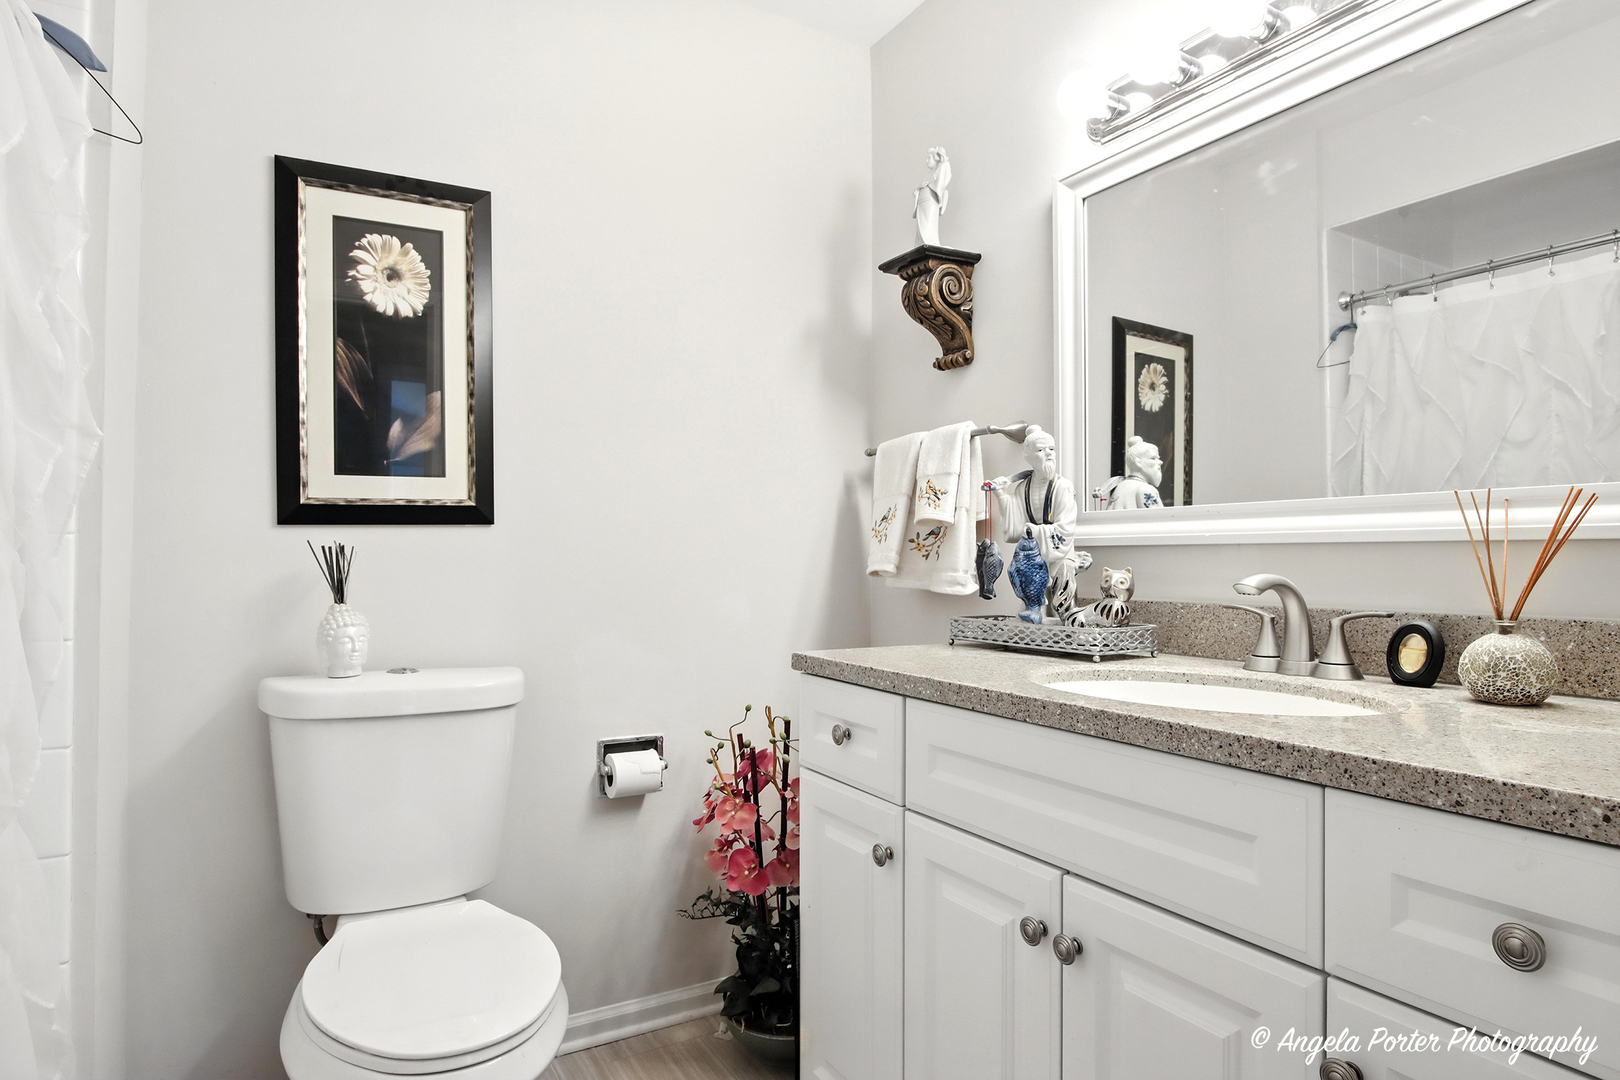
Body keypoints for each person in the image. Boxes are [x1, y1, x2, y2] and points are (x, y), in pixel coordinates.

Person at [1102, 436, 1164, 510]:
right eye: (1153, 458)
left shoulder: (1120, 487)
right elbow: (1158, 516)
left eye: (1158, 458)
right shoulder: (1146, 489)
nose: (1160, 462)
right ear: (1138, 462)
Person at [912, 147, 951, 247]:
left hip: (930, 200)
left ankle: (931, 242)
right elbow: (918, 189)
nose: (926, 160)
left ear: (936, 159)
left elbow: (945, 166)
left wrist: (941, 155)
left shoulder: (940, 170)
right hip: (922, 202)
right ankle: (921, 244)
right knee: (921, 226)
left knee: (928, 224)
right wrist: (920, 188)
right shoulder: (929, 175)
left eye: (929, 158)